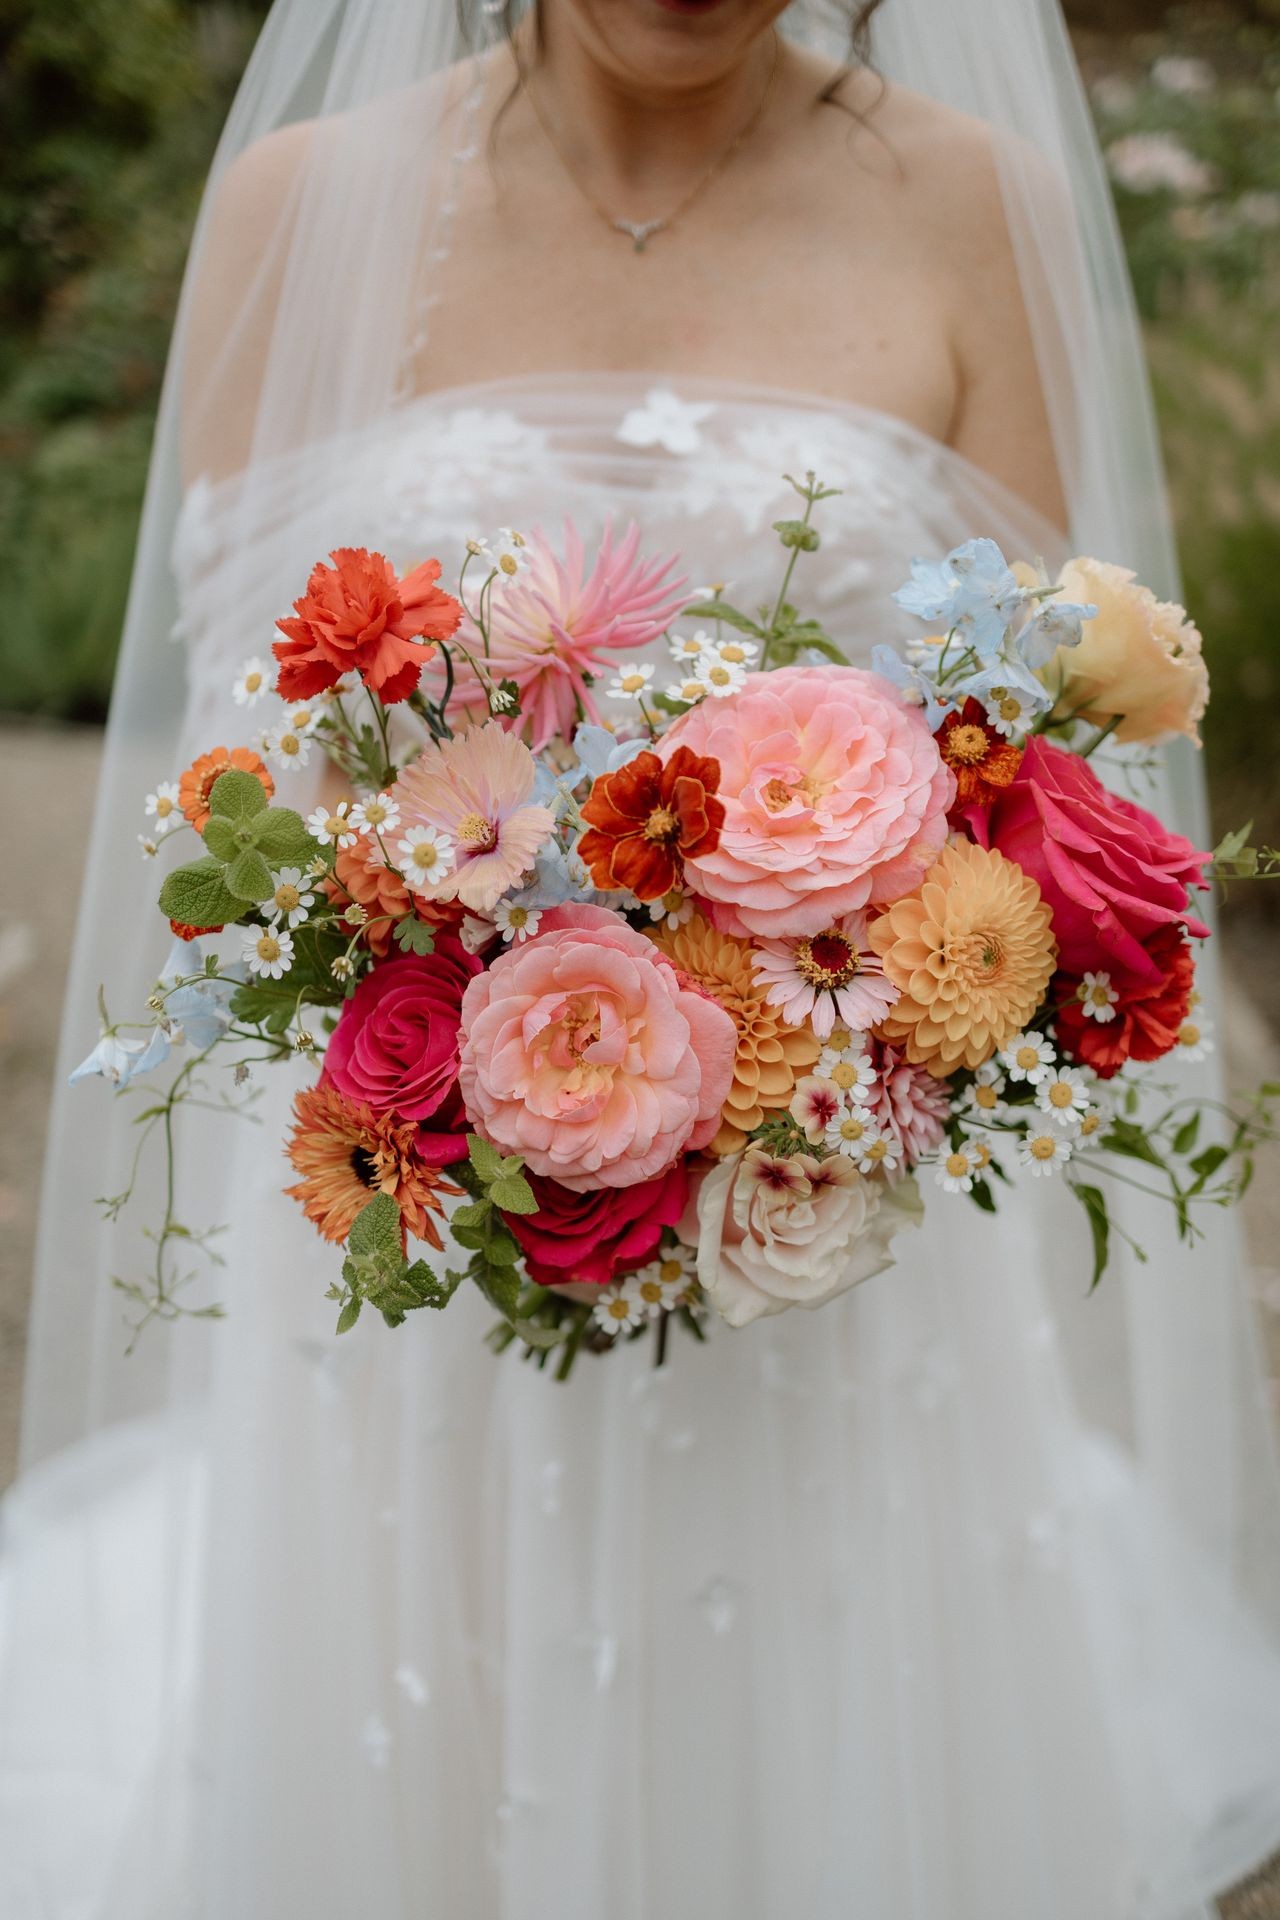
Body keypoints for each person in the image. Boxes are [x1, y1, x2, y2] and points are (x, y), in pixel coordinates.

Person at [3, 1, 1280, 1914]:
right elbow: (239, 778)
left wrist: (821, 1034)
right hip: (427, 1233)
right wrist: (468, 1009)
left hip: (825, 1229)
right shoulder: (301, 207)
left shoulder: (974, 205)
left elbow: (1033, 771)